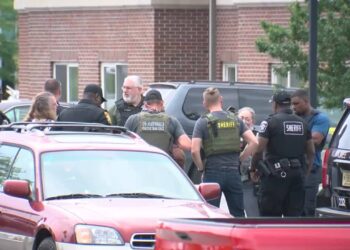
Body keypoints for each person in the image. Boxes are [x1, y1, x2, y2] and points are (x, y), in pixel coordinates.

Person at [191, 87, 258, 217]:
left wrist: (200, 168)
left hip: (212, 173)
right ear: (221, 100)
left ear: (204, 103)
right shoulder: (235, 119)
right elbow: (254, 142)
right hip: (233, 172)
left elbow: (194, 150)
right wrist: (241, 158)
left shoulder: (202, 122)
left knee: (211, 214)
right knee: (238, 214)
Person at [250, 90, 315, 217]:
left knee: (270, 218)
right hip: (297, 175)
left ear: (275, 104)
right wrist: (305, 171)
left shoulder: (270, 122)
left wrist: (253, 169)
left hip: (274, 176)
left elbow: (258, 150)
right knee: (294, 218)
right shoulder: (303, 123)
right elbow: (311, 151)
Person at [125, 89, 191, 166]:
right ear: (162, 103)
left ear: (145, 105)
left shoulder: (133, 119)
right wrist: (175, 146)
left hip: (139, 166)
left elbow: (124, 143)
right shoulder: (171, 120)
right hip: (162, 167)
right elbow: (187, 145)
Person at [291, 89, 330, 216]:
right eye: (292, 104)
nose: (293, 106)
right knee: (293, 208)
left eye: (296, 103)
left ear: (306, 101)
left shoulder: (320, 118)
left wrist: (288, 141)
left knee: (307, 208)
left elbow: (315, 140)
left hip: (310, 168)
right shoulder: (293, 117)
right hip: (294, 167)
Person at [238, 106, 259, 217]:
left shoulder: (258, 135)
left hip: (251, 181)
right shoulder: (232, 135)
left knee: (253, 214)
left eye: (247, 118)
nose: (244, 121)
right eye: (241, 118)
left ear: (253, 121)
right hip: (235, 179)